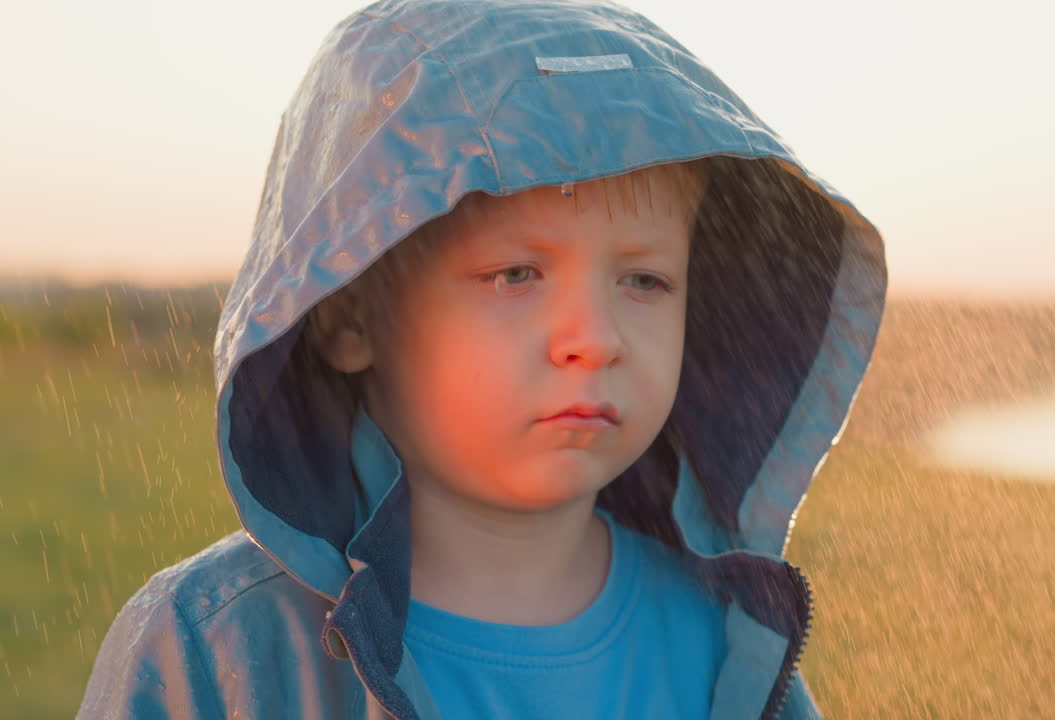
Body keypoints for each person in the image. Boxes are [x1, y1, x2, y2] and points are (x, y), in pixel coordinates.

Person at [77, 0, 887, 718]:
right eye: (515, 275)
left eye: (644, 279)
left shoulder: (728, 643)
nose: (596, 337)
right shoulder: (222, 648)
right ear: (351, 318)